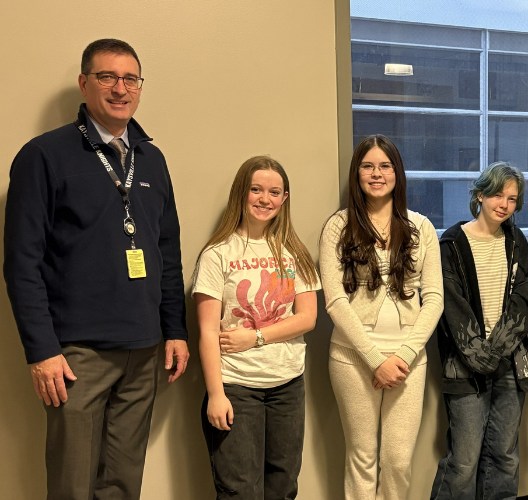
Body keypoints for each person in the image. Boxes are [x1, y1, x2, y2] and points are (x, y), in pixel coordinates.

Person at [3, 38, 188, 499]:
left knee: (124, 483)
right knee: (72, 484)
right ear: (85, 83)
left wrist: (175, 330)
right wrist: (41, 351)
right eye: (107, 77)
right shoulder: (44, 156)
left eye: (130, 79)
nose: (120, 88)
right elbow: (21, 263)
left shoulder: (152, 159)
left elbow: (167, 251)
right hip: (75, 356)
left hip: (144, 350)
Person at [319, 134, 444, 499]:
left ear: (397, 173)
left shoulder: (421, 228)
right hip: (353, 359)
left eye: (385, 166)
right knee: (361, 457)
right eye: (368, 166)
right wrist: (375, 360)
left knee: (397, 461)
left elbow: (434, 298)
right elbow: (335, 302)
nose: (377, 174)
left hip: (409, 362)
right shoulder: (337, 228)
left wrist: (402, 357)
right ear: (356, 174)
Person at [192, 156, 320, 499]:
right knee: (239, 490)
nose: (265, 199)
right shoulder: (217, 254)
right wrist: (216, 394)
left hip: (288, 386)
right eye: (256, 189)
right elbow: (206, 333)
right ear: (241, 193)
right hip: (236, 386)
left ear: (284, 199)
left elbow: (307, 318)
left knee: (283, 485)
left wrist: (256, 336)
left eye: (274, 192)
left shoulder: (295, 253)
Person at [430, 162, 528, 500]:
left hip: (511, 363)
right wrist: (481, 357)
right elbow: (452, 309)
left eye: (511, 198)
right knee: (463, 461)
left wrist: (496, 352)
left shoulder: (517, 240)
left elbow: (526, 298)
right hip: (464, 367)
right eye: (496, 195)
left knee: (504, 456)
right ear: (480, 194)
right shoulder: (451, 243)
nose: (503, 204)